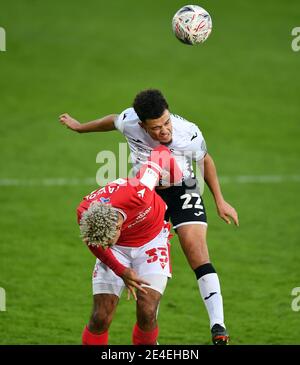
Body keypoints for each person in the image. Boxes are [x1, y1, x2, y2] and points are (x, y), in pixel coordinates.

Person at [60, 89, 239, 345]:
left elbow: (205, 161)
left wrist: (219, 201)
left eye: (166, 123)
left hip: (181, 189)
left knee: (197, 252)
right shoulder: (130, 122)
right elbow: (112, 120)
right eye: (156, 128)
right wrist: (80, 128)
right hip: (147, 191)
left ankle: (218, 325)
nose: (165, 131)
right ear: (142, 125)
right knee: (105, 314)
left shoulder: (187, 132)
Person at [78, 144, 182, 345]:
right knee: (100, 316)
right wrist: (121, 270)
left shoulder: (138, 193)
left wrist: (176, 180)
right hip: (118, 252)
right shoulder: (85, 213)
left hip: (151, 241)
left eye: (109, 240)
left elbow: (161, 151)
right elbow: (95, 243)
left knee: (148, 309)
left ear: (119, 227)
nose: (106, 244)